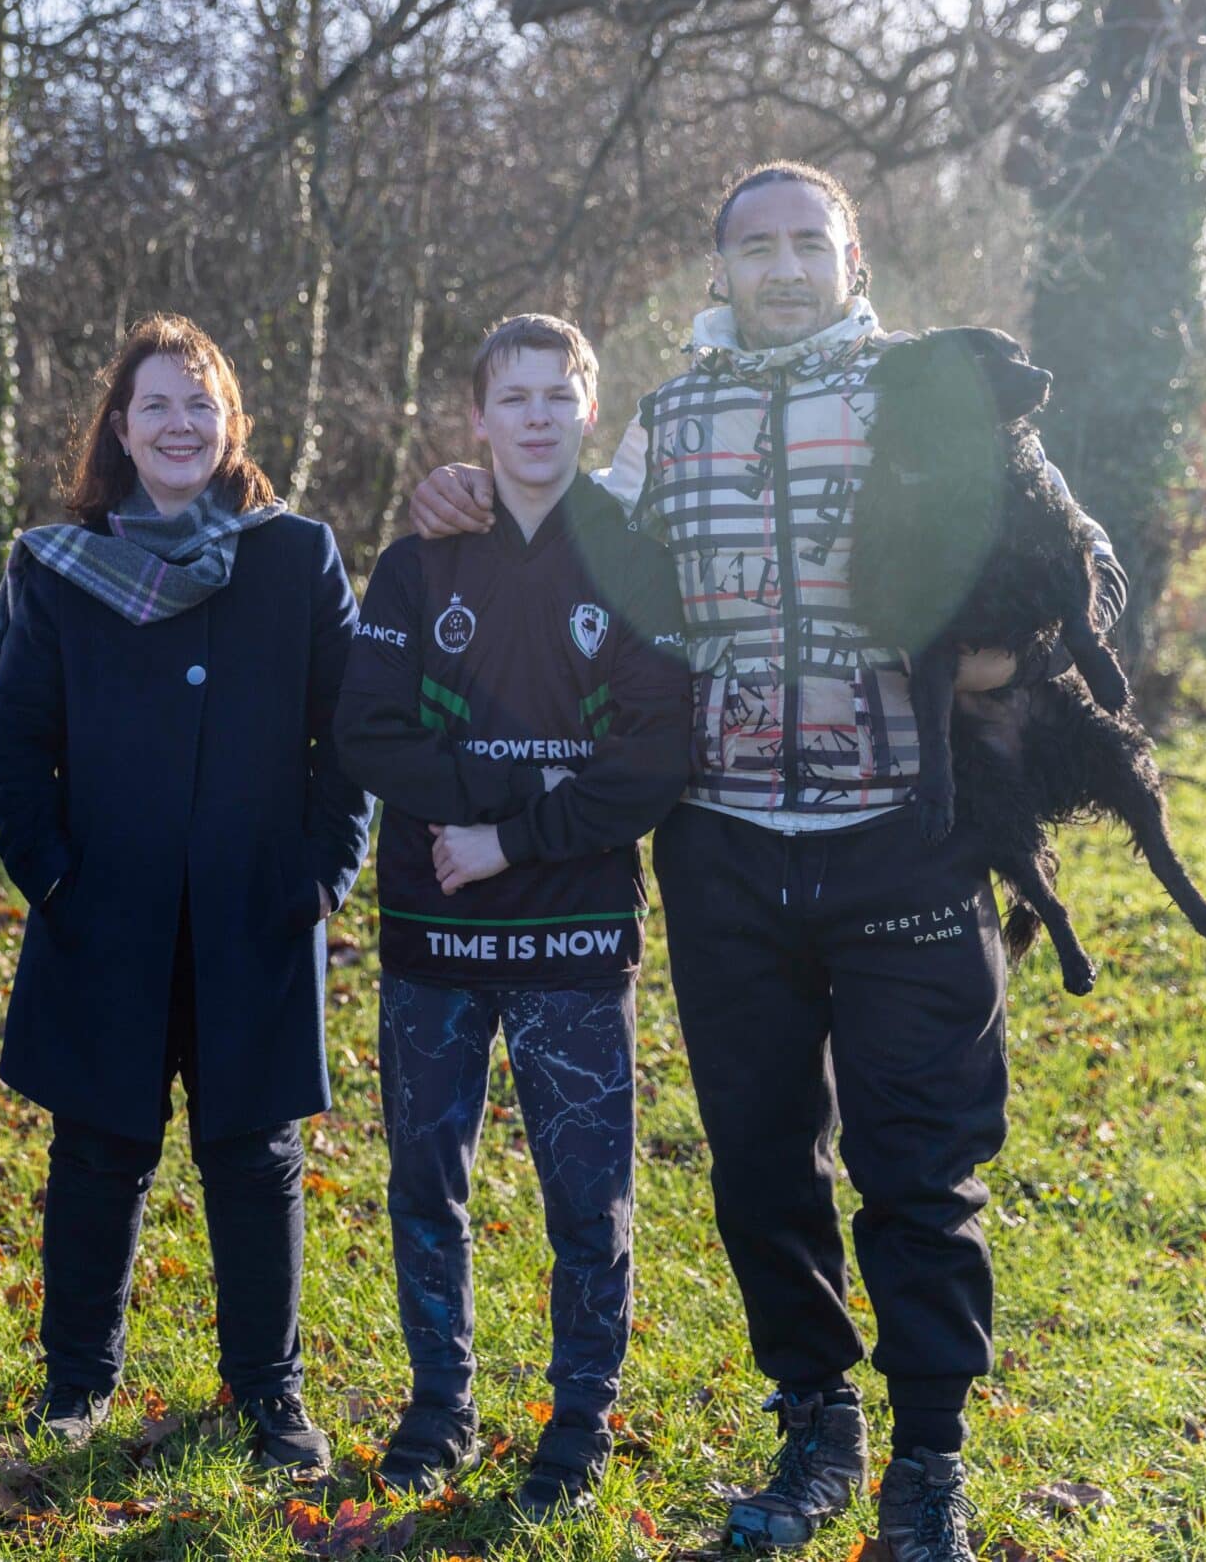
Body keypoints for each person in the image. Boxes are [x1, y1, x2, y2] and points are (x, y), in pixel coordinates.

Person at [408, 163, 1128, 1561]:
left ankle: (928, 1464)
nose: (786, 266)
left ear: (853, 260)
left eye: (811, 242)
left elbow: (1084, 552)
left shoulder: (929, 391)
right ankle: (815, 1427)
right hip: (725, 849)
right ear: (720, 272)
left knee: (921, 1166)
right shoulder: (671, 420)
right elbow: (568, 556)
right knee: (756, 1164)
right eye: (759, 247)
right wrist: (464, 495)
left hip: (907, 842)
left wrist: (1018, 651)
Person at [0, 313, 370, 1475]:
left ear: (230, 422)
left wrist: (323, 871)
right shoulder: (61, 565)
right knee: (97, 1150)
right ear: (120, 429)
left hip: (256, 908)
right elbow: (16, 740)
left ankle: (268, 1394)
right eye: (155, 404)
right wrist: (48, 870)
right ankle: (76, 1386)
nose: (179, 422)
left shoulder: (294, 554)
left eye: (198, 402)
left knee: (255, 1156)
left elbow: (340, 735)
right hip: (105, 909)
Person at [335, 315, 690, 1517]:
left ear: (588, 411)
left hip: (579, 938)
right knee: (425, 1184)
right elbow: (369, 731)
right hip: (433, 939)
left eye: (558, 395)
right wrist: (508, 799)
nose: (536, 416)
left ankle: (579, 1419)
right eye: (513, 397)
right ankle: (439, 1407)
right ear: (476, 418)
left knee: (587, 1199)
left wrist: (512, 837)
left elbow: (654, 759)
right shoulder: (417, 557)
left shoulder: (632, 556)